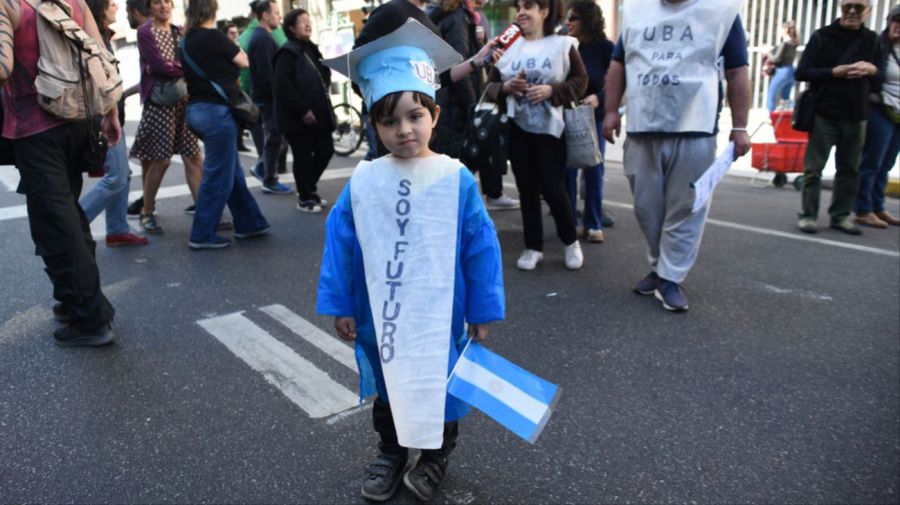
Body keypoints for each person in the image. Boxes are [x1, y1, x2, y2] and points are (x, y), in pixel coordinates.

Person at [317, 20, 504, 503]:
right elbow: (340, 242)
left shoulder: (454, 178)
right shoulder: (364, 181)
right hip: (383, 315)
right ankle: (392, 451)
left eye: (415, 115)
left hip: (440, 313)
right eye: (389, 121)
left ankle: (436, 457)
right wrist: (342, 304)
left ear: (435, 115)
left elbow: (480, 246)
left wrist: (482, 310)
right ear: (373, 127)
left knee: (441, 385)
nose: (404, 130)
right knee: (388, 387)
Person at [602, 0, 751, 312]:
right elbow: (619, 63)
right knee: (647, 209)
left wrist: (740, 127)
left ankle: (670, 277)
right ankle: (659, 268)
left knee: (685, 208)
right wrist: (612, 110)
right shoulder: (637, 10)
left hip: (695, 127)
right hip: (643, 126)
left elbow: (738, 72)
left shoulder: (720, 11)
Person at [1, 0, 120, 346]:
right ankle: (73, 302)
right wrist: (110, 111)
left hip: (36, 129)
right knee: (69, 214)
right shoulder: (74, 1)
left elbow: (3, 66)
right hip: (78, 122)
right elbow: (99, 55)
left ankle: (90, 320)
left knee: (56, 224)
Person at [484, 0, 588, 271]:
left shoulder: (563, 45)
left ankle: (570, 241)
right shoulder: (509, 49)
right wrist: (507, 86)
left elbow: (581, 81)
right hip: (517, 129)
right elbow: (490, 86)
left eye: (528, 6)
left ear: (544, 12)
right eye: (518, 6)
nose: (521, 12)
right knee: (527, 189)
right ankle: (533, 247)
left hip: (551, 131)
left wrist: (552, 91)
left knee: (554, 189)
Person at [180, 0, 270, 249]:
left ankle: (250, 222)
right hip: (216, 112)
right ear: (213, 10)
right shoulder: (214, 37)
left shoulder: (186, 41)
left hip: (196, 110)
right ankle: (202, 234)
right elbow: (244, 61)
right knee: (219, 175)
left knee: (230, 171)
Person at [795, 0, 879, 236]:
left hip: (857, 114)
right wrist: (834, 72)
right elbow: (801, 72)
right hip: (825, 113)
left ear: (867, 11)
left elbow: (881, 76)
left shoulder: (872, 40)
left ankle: (841, 216)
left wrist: (872, 71)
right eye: (847, 6)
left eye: (858, 7)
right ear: (840, 9)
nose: (852, 12)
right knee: (813, 169)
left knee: (850, 169)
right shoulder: (823, 36)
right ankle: (808, 215)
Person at [429, 0, 519, 210]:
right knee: (460, 161)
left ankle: (490, 194)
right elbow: (458, 64)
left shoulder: (464, 15)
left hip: (452, 100)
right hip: (456, 104)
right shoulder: (458, 17)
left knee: (463, 158)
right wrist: (471, 104)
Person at [79, 0, 149, 247]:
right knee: (117, 176)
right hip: (103, 118)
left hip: (110, 115)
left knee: (123, 174)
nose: (117, 7)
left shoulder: (102, 36)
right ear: (99, 7)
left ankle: (117, 228)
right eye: (111, 3)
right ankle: (74, 225)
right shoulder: (92, 37)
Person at [131, 0, 203, 234]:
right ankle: (147, 212)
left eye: (167, 1)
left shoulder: (179, 30)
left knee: (193, 156)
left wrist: (175, 67)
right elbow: (159, 65)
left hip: (184, 99)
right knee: (160, 160)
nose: (163, 6)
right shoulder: (145, 32)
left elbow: (180, 64)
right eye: (157, 2)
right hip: (161, 102)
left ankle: (204, 212)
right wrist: (181, 68)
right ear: (150, 7)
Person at [273, 9, 334, 213]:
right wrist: (302, 109)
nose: (308, 25)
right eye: (302, 22)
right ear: (291, 27)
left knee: (326, 150)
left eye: (309, 21)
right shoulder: (287, 52)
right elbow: (283, 85)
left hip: (319, 112)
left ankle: (308, 188)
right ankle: (305, 196)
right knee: (303, 156)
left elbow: (322, 76)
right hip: (297, 117)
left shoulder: (312, 49)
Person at [563, 0, 613, 244]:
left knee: (594, 171)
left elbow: (617, 82)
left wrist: (599, 98)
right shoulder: (564, 45)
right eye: (567, 17)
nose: (567, 22)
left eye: (573, 18)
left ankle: (593, 223)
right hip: (568, 115)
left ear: (588, 20)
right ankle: (569, 224)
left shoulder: (605, 48)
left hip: (595, 118)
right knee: (567, 173)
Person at [854, 5, 900, 228]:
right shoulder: (878, 46)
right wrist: (874, 72)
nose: (899, 27)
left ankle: (878, 206)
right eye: (896, 21)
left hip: (899, 114)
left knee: (887, 163)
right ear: (889, 21)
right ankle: (863, 209)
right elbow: (870, 77)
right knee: (872, 161)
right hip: (880, 109)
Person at [247, 0, 291, 194]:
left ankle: (264, 169)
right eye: (276, 13)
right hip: (268, 98)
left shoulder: (263, 37)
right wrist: (279, 97)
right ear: (265, 15)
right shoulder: (263, 39)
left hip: (267, 97)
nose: (279, 17)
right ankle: (268, 177)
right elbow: (267, 74)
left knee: (278, 137)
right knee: (276, 137)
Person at [766, 21, 799, 113]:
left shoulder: (785, 43)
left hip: (782, 71)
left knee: (772, 94)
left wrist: (767, 52)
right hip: (791, 70)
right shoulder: (794, 42)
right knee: (786, 97)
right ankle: (796, 114)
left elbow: (775, 59)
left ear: (785, 30)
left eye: (780, 29)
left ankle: (771, 115)